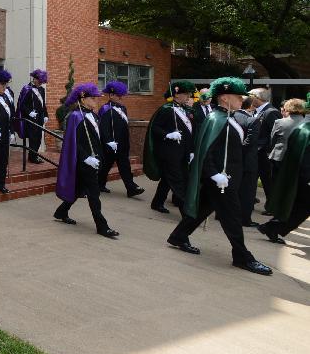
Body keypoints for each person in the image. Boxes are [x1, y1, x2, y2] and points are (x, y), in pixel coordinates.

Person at [166, 77, 272, 276]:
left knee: (204, 208)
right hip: (220, 180)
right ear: (224, 98)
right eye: (237, 96)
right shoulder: (216, 119)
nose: (242, 99)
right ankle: (242, 256)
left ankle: (179, 236)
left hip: (227, 178)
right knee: (232, 217)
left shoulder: (231, 117)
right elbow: (206, 152)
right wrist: (214, 174)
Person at [53, 83, 119, 238]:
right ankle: (102, 226)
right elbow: (72, 142)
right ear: (83, 99)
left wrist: (107, 142)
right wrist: (85, 158)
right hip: (85, 162)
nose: (96, 100)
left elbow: (97, 135)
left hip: (95, 159)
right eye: (93, 97)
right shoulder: (75, 116)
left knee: (77, 189)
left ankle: (61, 212)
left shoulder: (93, 114)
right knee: (94, 194)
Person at [144, 81, 197, 214]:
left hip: (182, 151)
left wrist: (191, 151)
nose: (188, 97)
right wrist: (168, 134)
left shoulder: (185, 110)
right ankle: (186, 211)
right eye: (186, 94)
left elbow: (189, 132)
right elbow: (155, 128)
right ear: (177, 94)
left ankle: (157, 202)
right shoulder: (166, 109)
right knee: (178, 180)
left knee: (168, 179)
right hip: (169, 152)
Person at [258, 107, 310, 244]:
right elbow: (305, 160)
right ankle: (272, 227)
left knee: (298, 208)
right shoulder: (306, 130)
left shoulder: (302, 128)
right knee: (300, 208)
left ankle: (272, 227)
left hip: (298, 177)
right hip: (304, 178)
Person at [97, 81, 145, 197]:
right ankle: (99, 185)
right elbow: (103, 128)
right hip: (110, 144)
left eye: (122, 95)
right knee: (104, 167)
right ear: (111, 95)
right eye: (118, 95)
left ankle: (131, 188)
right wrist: (109, 141)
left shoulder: (122, 108)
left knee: (125, 166)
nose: (121, 98)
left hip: (122, 144)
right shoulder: (105, 109)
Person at [250, 88, 282, 214]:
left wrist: (265, 148)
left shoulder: (270, 112)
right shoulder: (258, 111)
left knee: (268, 181)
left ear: (259, 98)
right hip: (256, 154)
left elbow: (275, 134)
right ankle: (249, 202)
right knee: (252, 179)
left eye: (251, 96)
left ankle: (272, 208)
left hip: (265, 155)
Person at [233, 96, 262, 227]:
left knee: (234, 188)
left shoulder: (232, 116)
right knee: (248, 192)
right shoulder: (253, 120)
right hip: (248, 161)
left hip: (233, 160)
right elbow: (251, 142)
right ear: (250, 106)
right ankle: (245, 218)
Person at [267, 98, 307, 178]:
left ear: (287, 107)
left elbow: (272, 140)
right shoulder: (306, 123)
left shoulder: (279, 122)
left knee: (276, 182)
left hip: (279, 156)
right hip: (300, 158)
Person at [17, 69, 49, 163]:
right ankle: (32, 157)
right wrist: (29, 112)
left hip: (39, 117)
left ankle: (34, 155)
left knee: (38, 137)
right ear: (34, 79)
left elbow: (43, 104)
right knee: (33, 138)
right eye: (39, 81)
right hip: (30, 118)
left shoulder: (42, 90)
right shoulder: (26, 89)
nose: (40, 83)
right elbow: (21, 105)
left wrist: (46, 115)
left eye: (42, 82)